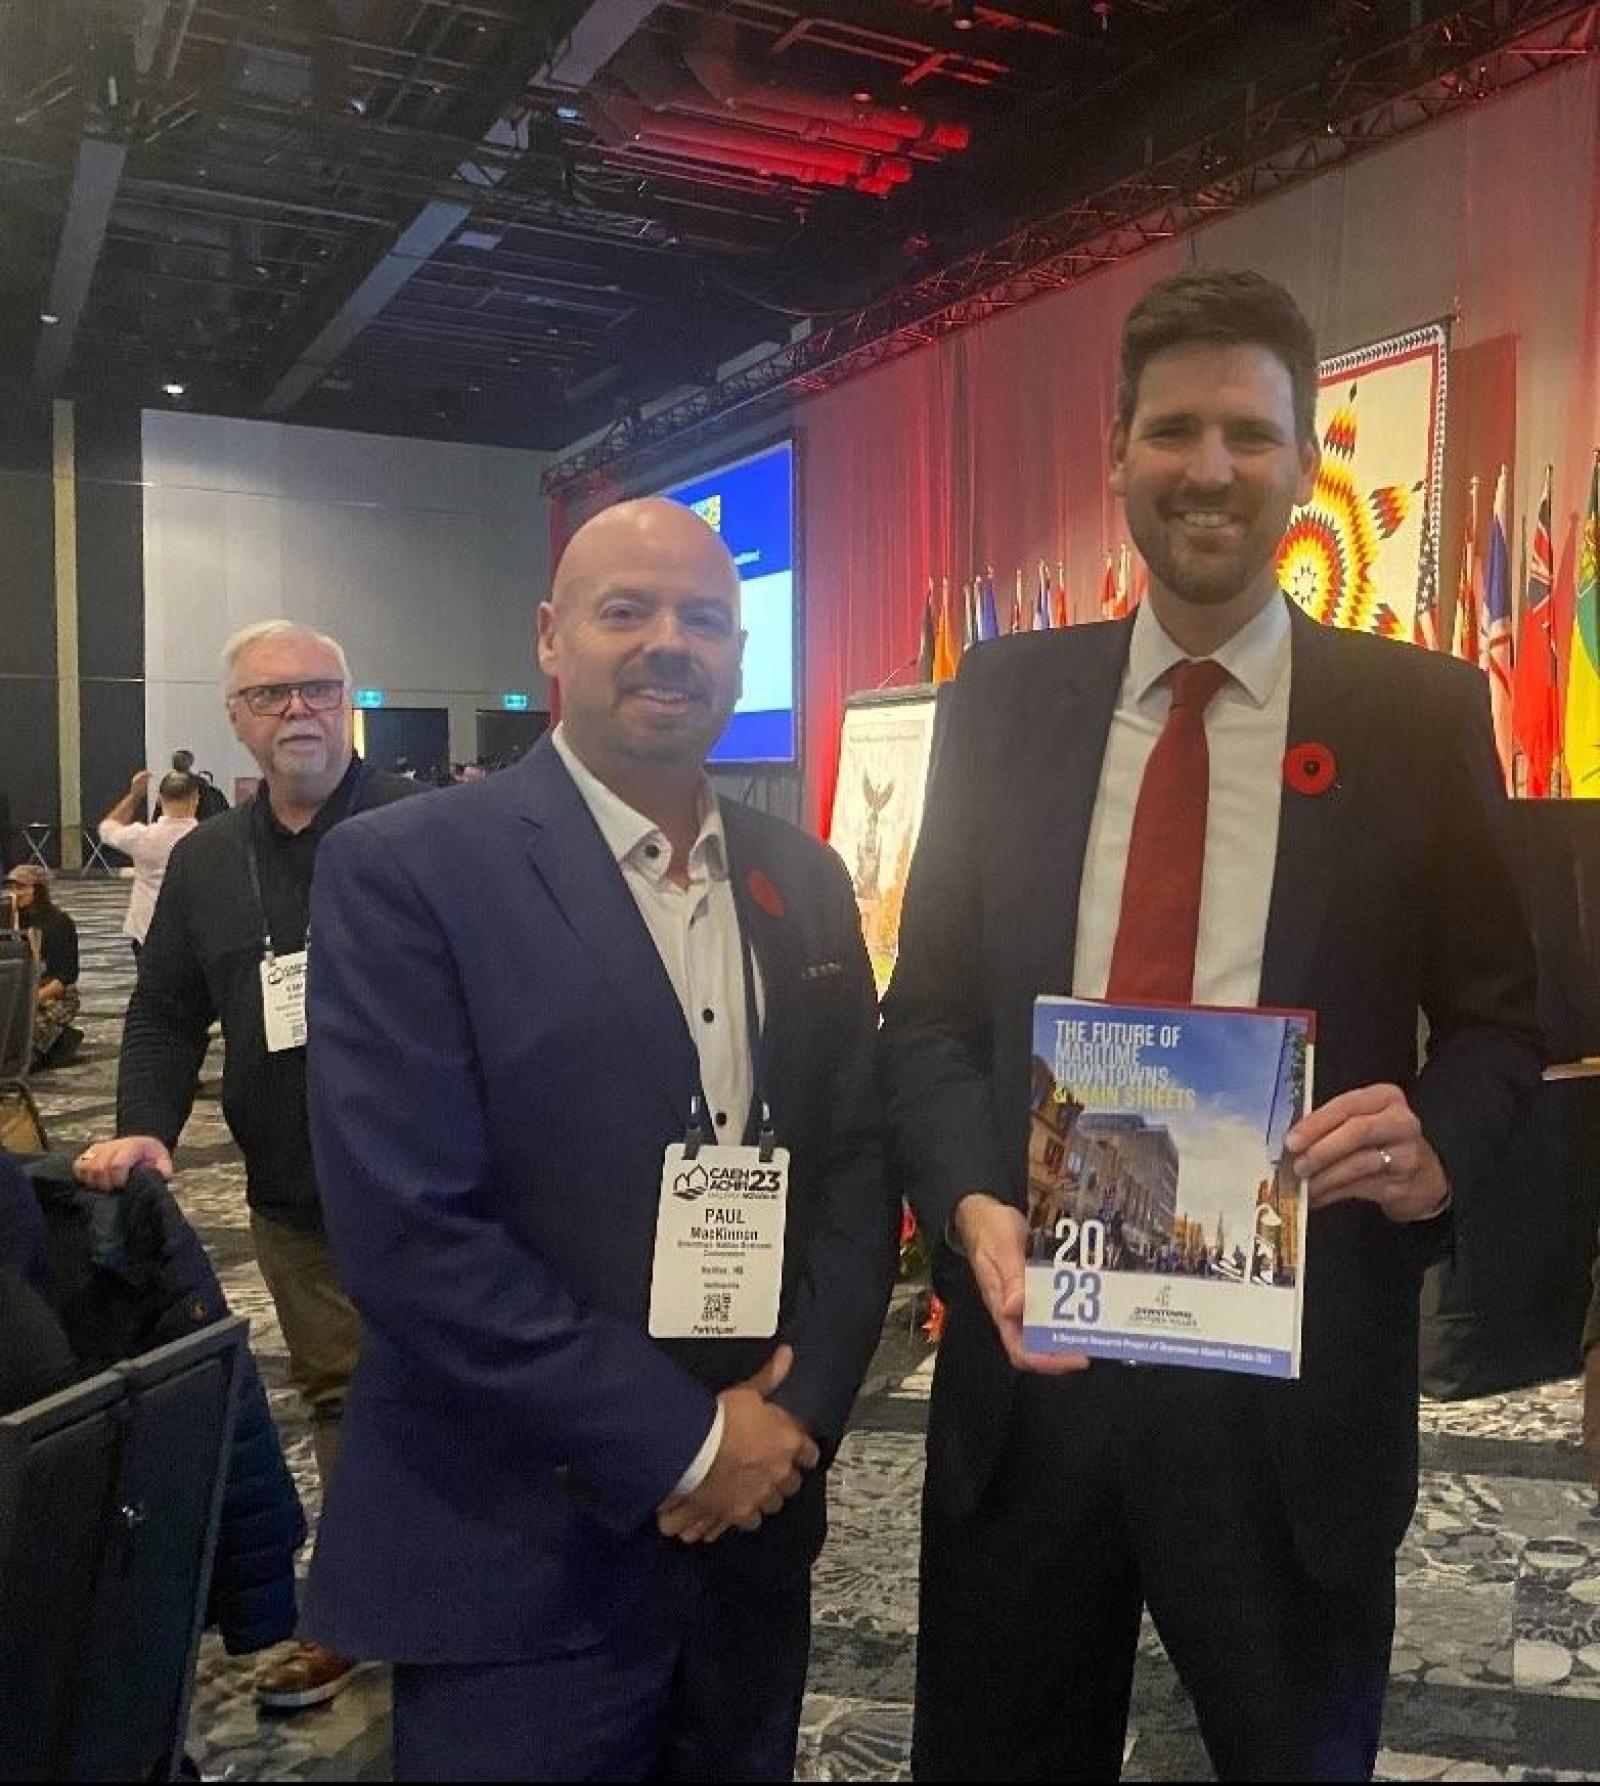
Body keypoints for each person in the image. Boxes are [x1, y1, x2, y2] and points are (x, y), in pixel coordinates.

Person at [879, 268, 1544, 1782]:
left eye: (1250, 433)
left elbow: (1503, 1025)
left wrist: (1437, 1143)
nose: (1209, 468)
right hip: (1035, 1372)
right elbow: (925, 1020)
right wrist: (971, 1204)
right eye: (1174, 429)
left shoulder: (1416, 714)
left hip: (1292, 1397)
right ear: (1115, 451)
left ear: (1304, 462)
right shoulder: (1002, 700)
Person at [303, 497, 898, 1781]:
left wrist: (788, 1418)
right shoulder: (407, 870)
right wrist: (685, 1444)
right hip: (519, 1551)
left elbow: (855, 1164)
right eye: (625, 610)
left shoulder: (801, 877)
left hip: (755, 1530)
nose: (667, 642)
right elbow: (412, 1235)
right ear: (549, 638)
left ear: (740, 653)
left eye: (703, 618)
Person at [73, 619, 419, 1711]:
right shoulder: (208, 859)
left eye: (317, 688)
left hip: (440, 1190)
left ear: (348, 702)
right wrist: (145, 1125)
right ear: (235, 719)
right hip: (294, 1195)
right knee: (340, 1392)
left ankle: (487, 1607)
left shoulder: (424, 829)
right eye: (270, 695)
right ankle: (360, 1607)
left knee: (465, 1391)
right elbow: (166, 1012)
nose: (297, 709)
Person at [97, 769, 200, 954]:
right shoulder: (208, 839)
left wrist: (135, 796)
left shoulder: (142, 836)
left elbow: (106, 829)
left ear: (159, 800)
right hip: (193, 933)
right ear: (196, 799)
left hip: (147, 931)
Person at [4, 866, 80, 1070]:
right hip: (13, 992)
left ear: (37, 890)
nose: (14, 893)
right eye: (11, 887)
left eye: (20, 887)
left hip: (51, 993)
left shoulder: (58, 923)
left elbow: (65, 977)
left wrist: (30, 1000)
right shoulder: (8, 921)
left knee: (24, 1036)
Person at [166, 749, 230, 821]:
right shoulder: (201, 784)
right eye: (176, 760)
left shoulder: (200, 784)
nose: (178, 762)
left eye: (183, 759)